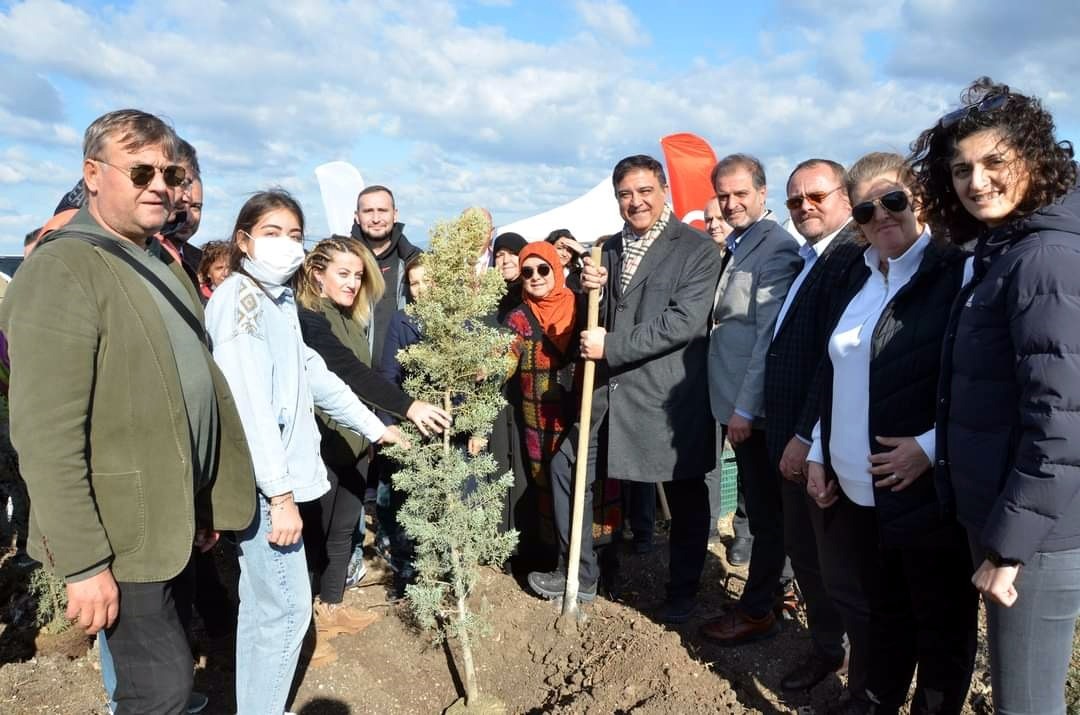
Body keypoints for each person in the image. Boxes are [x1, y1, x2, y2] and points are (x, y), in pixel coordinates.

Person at [0, 108, 256, 714]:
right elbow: (46, 435)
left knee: (170, 677)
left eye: (169, 173)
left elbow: (183, 384)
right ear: (93, 174)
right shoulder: (64, 267)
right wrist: (84, 563)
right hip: (122, 531)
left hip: (172, 517)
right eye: (140, 171)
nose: (160, 186)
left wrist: (203, 501)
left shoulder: (160, 257)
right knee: (159, 689)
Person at [911, 77, 1080, 715]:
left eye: (993, 162)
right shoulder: (1004, 252)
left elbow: (1061, 423)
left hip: (1037, 534)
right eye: (960, 169)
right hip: (1014, 518)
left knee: (1027, 703)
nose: (975, 181)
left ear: (1034, 160)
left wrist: (1009, 548)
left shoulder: (1045, 261)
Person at [205, 189, 406, 714]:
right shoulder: (242, 300)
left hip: (279, 482)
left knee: (270, 610)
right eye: (272, 233)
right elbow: (248, 405)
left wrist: (376, 427)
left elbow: (312, 374)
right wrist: (280, 495)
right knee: (286, 613)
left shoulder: (278, 301)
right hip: (267, 487)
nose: (287, 245)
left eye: (295, 235)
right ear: (244, 239)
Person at [805, 152, 977, 714]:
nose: (881, 216)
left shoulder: (955, 273)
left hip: (924, 495)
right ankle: (875, 702)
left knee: (940, 627)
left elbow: (984, 385)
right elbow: (837, 373)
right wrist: (817, 447)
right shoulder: (859, 279)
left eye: (893, 201)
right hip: (858, 495)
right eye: (865, 209)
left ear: (918, 200)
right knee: (882, 617)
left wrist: (930, 448)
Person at [577, 154, 722, 622]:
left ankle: (682, 592)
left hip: (666, 398)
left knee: (684, 494)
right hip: (612, 395)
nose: (635, 202)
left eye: (644, 191)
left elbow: (682, 322)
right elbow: (609, 312)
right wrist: (589, 288)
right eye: (625, 194)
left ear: (664, 191)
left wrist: (611, 345)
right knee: (577, 472)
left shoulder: (696, 248)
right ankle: (583, 574)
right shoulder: (611, 248)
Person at [294, 236, 449, 637]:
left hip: (356, 442)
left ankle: (331, 607)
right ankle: (305, 628)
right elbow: (347, 370)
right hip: (325, 445)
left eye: (358, 276)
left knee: (345, 529)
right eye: (342, 274)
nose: (351, 283)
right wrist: (408, 406)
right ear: (316, 273)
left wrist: (380, 428)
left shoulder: (349, 316)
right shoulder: (309, 317)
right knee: (316, 536)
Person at [766, 159, 869, 692]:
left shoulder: (850, 255)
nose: (804, 206)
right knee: (806, 555)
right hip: (793, 437)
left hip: (815, 442)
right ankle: (830, 650)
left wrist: (807, 438)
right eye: (794, 201)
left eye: (816, 196)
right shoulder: (814, 257)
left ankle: (852, 665)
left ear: (846, 198)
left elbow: (832, 362)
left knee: (833, 564)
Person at [701, 154, 801, 645]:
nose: (732, 202)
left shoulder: (775, 248)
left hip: (755, 410)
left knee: (765, 515)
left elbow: (767, 338)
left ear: (763, 194)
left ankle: (759, 607)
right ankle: (777, 589)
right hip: (737, 402)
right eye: (724, 195)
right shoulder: (742, 245)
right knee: (766, 511)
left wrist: (745, 408)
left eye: (741, 193)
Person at [507, 242, 615, 600]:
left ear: (558, 270)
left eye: (543, 270)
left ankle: (596, 566)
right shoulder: (519, 317)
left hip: (585, 412)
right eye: (528, 271)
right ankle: (564, 565)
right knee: (550, 494)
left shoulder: (584, 306)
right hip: (540, 420)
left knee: (591, 488)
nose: (535, 277)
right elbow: (506, 356)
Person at [350, 184, 422, 364]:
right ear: (357, 217)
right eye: (368, 211)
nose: (376, 218)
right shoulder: (341, 264)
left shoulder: (416, 263)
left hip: (406, 378)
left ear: (395, 214)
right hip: (355, 378)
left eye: (382, 210)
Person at [492, 231, 526, 322]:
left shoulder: (533, 291)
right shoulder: (488, 296)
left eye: (512, 253)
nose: (506, 260)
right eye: (500, 255)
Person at [545, 228, 586, 293]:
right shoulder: (539, 272)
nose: (564, 254)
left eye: (569, 250)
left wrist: (583, 252)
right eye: (560, 248)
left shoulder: (578, 275)